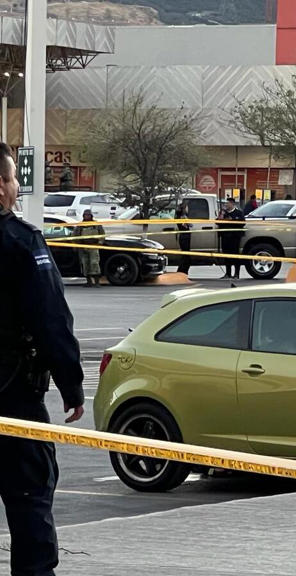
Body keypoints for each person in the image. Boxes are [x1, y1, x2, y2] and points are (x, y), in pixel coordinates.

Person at [0, 141, 85, 576]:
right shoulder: (20, 241)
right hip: (13, 397)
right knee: (30, 503)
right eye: (13, 178)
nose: (15, 186)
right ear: (0, 186)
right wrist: (72, 383)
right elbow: (50, 317)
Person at [72, 209, 105, 287]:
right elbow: (75, 236)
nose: (87, 216)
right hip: (83, 247)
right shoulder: (80, 225)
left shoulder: (96, 225)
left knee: (94, 263)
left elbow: (102, 234)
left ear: (91, 216)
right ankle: (89, 282)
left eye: (88, 215)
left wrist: (100, 243)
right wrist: (76, 245)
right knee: (85, 264)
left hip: (94, 246)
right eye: (86, 215)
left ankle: (97, 282)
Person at [217, 197, 245, 279]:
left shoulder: (238, 213)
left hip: (234, 238)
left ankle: (236, 274)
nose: (226, 205)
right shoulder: (223, 213)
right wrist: (221, 214)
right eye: (225, 203)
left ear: (232, 204)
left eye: (227, 203)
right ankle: (228, 273)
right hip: (225, 237)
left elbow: (242, 223)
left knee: (235, 256)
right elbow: (218, 222)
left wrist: (232, 220)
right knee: (226, 256)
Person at [175, 202, 192, 275]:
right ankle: (182, 272)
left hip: (184, 236)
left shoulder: (180, 216)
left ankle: (183, 272)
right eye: (187, 207)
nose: (188, 209)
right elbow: (190, 225)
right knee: (185, 256)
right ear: (184, 209)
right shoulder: (183, 217)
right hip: (185, 237)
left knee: (185, 255)